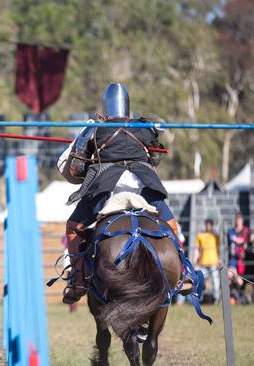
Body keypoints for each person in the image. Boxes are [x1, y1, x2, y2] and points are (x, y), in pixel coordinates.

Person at [57, 83, 177, 305]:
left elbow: (75, 169)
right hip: (143, 184)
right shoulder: (144, 126)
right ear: (127, 105)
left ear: (106, 106)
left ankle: (78, 279)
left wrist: (93, 155)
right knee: (171, 225)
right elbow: (156, 159)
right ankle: (185, 275)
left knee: (73, 226)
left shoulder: (94, 129)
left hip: (107, 186)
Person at [194, 218, 220, 304]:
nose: (208, 226)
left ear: (212, 225)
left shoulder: (216, 236)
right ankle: (199, 299)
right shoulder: (200, 235)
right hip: (203, 263)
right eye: (206, 224)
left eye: (209, 224)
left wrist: (219, 261)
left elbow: (218, 249)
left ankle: (216, 299)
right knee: (200, 281)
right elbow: (197, 250)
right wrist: (195, 262)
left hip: (214, 263)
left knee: (216, 282)